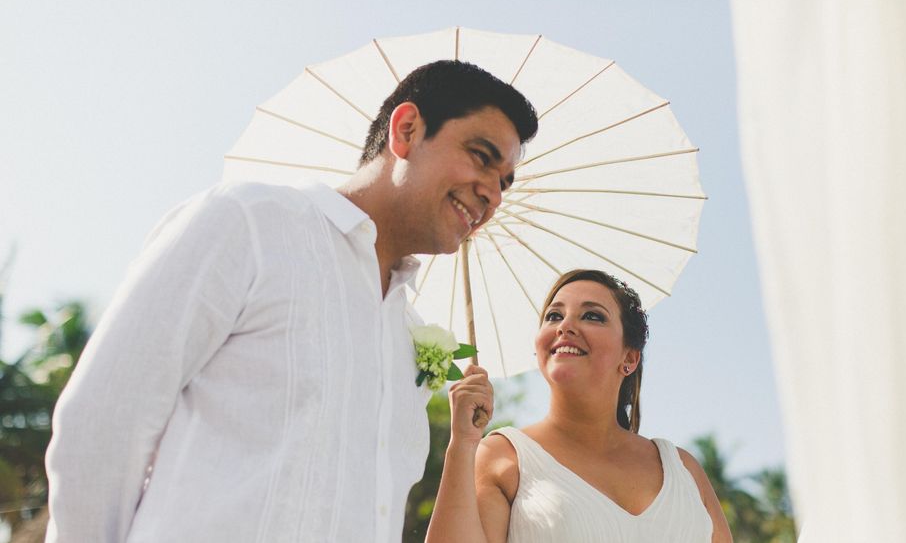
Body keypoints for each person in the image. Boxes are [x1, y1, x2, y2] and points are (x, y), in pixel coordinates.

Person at [43, 60, 538, 542]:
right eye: (481, 157)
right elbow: (103, 423)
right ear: (406, 130)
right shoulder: (248, 224)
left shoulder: (409, 332)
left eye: (504, 182)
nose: (493, 194)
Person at [427, 269, 733, 542]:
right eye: (553, 316)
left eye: (592, 316)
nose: (565, 326)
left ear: (629, 358)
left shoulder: (683, 469)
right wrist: (463, 444)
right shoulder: (503, 457)